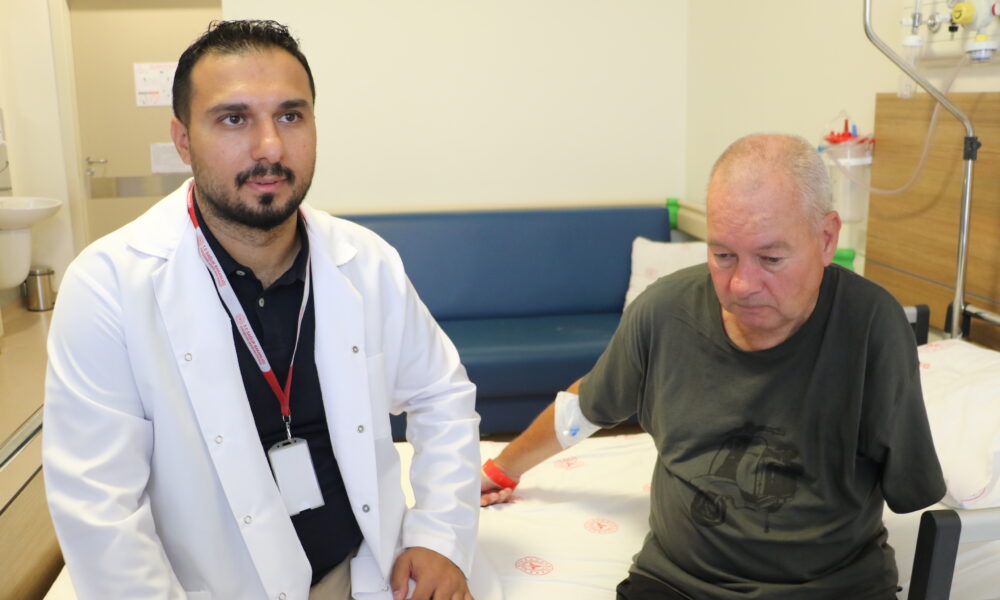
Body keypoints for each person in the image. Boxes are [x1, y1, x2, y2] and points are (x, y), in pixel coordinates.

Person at [44, 20, 480, 600]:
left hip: (365, 571)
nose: (270, 147)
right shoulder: (108, 287)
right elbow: (99, 508)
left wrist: (440, 537)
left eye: (290, 115)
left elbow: (441, 395)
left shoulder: (364, 261)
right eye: (234, 118)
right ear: (182, 140)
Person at [480, 134, 946, 599]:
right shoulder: (665, 312)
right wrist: (501, 469)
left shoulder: (872, 326)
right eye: (723, 255)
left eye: (771, 258)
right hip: (677, 584)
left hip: (832, 589)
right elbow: (586, 406)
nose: (741, 284)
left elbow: (910, 483)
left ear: (826, 239)